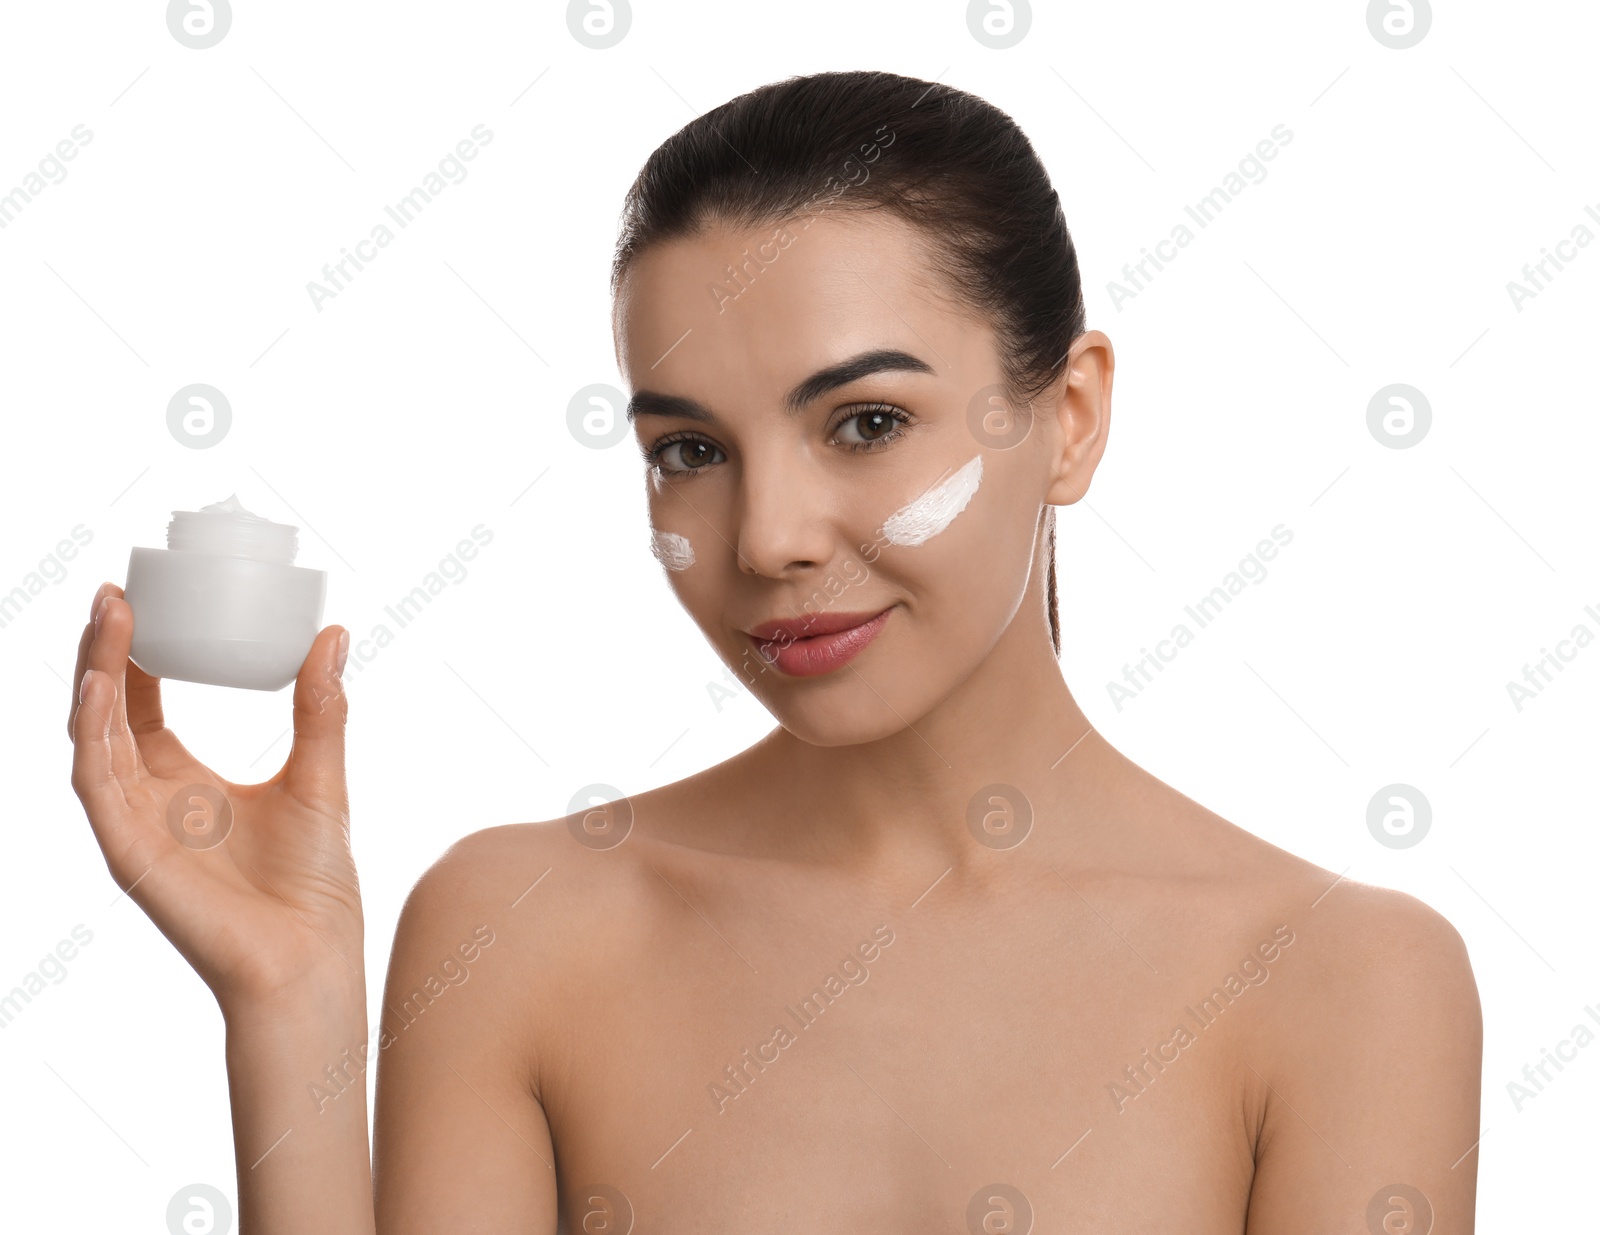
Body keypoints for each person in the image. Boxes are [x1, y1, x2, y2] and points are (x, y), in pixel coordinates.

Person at [68, 69, 1481, 1233]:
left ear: (1070, 417)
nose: (770, 539)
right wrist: (291, 1006)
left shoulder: (1341, 982)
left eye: (865, 423)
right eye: (690, 450)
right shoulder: (520, 932)